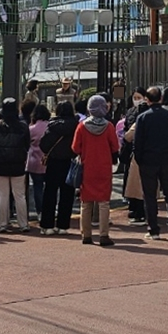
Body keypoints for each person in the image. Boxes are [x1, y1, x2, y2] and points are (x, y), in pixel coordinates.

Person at [133, 87, 168, 241]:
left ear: (147, 100)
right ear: (161, 98)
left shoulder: (142, 118)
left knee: (149, 196)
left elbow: (138, 143)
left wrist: (140, 159)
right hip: (167, 160)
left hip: (148, 161)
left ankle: (153, 229)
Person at [72, 94, 120, 246]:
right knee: (104, 202)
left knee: (86, 203)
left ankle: (86, 235)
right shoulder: (109, 126)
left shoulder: (82, 126)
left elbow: (75, 147)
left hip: (87, 167)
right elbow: (115, 147)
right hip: (104, 167)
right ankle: (104, 234)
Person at [0, 97, 31, 233]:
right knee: (20, 195)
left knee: (3, 196)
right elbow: (27, 145)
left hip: (0, 165)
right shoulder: (23, 126)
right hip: (18, 165)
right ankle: (23, 224)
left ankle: (3, 223)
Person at [39, 101, 78, 235]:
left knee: (50, 193)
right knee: (67, 194)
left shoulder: (52, 125)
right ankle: (63, 226)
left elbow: (43, 145)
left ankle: (47, 225)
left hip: (54, 162)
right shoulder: (76, 125)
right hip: (70, 162)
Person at [121, 88, 149, 225]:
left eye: (140, 97)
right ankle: (136, 208)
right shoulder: (131, 112)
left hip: (139, 151)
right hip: (132, 152)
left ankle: (140, 211)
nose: (137, 100)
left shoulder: (144, 114)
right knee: (134, 183)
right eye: (135, 97)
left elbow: (128, 134)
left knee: (138, 183)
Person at [27, 104, 52, 219]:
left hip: (34, 161)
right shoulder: (51, 127)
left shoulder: (31, 129)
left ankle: (40, 211)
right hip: (49, 161)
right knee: (50, 187)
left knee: (37, 187)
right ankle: (50, 209)